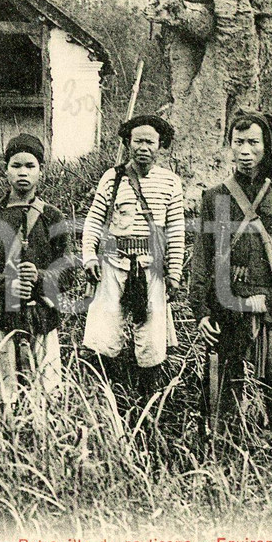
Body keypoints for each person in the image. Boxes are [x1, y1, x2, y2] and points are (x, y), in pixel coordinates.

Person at [189, 110, 272, 443]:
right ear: (229, 147)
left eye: (253, 142)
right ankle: (223, 447)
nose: (245, 150)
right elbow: (202, 256)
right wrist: (201, 311)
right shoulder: (215, 197)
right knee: (224, 389)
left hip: (271, 304)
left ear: (266, 147)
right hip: (227, 301)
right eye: (239, 142)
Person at [0, 134, 71, 421]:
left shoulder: (52, 216)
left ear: (41, 171)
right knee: (1, 394)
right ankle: (0, 443)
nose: (23, 172)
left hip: (41, 318)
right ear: (6, 170)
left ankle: (43, 447)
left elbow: (68, 270)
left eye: (30, 165)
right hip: (1, 314)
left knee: (46, 394)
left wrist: (41, 277)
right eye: (16, 165)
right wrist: (5, 283)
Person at [81, 115, 185, 401]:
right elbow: (94, 219)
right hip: (113, 263)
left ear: (159, 145)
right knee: (105, 329)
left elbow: (176, 231)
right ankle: (105, 393)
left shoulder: (170, 183)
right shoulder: (112, 177)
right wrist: (89, 256)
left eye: (150, 141)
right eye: (137, 140)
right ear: (128, 143)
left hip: (151, 267)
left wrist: (174, 272)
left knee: (152, 332)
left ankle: (147, 395)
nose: (143, 147)